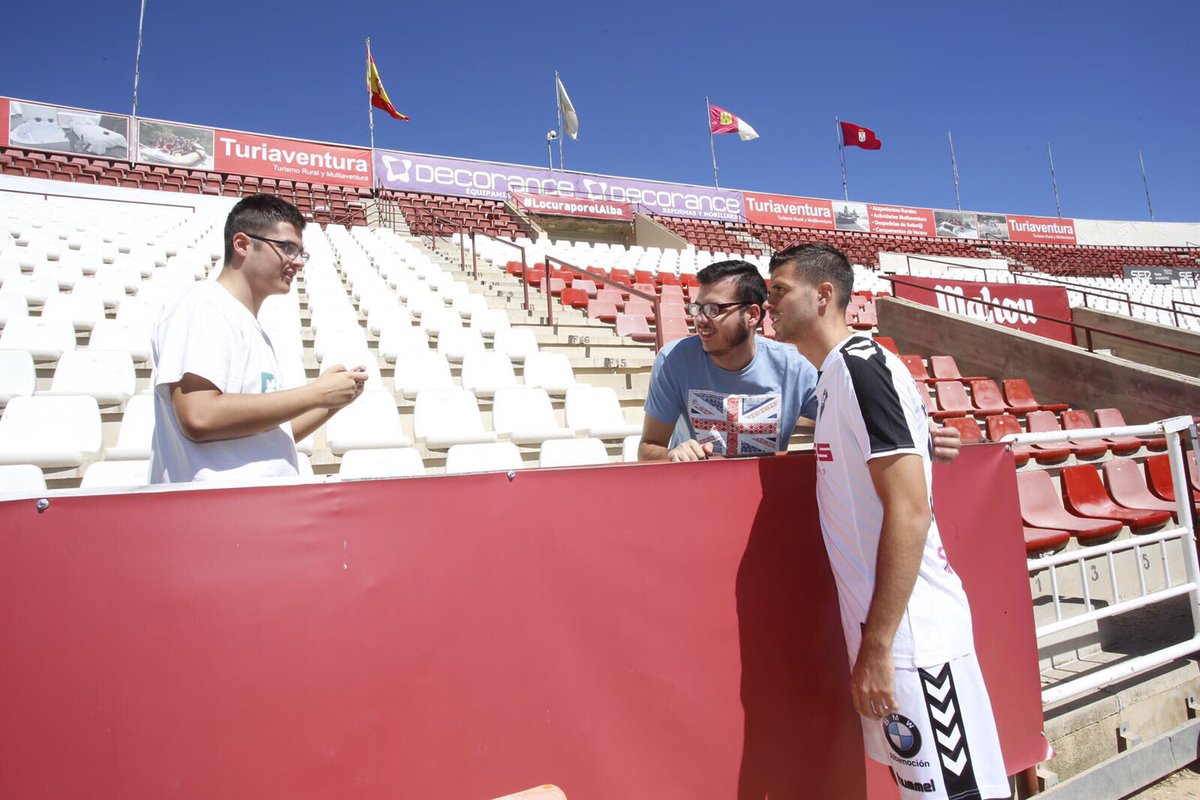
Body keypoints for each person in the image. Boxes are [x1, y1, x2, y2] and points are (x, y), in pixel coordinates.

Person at [764, 243, 1007, 800]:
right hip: (893, 642)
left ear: (823, 295)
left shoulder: (861, 369)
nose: (768, 303)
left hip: (916, 643)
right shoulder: (834, 376)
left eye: (779, 290)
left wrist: (877, 647)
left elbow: (910, 510)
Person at [637, 260, 961, 463]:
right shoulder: (673, 359)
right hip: (695, 491)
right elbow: (648, 447)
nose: (700, 320)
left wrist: (918, 428)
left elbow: (851, 413)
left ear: (752, 315)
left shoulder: (795, 365)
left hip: (762, 499)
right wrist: (672, 454)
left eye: (713, 309)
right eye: (697, 309)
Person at [149, 194, 367, 484]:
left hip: (256, 503)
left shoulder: (247, 324)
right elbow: (199, 416)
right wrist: (317, 393)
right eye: (288, 248)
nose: (298, 262)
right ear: (242, 244)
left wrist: (331, 402)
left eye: (301, 252)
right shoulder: (205, 303)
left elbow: (272, 434)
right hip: (220, 506)